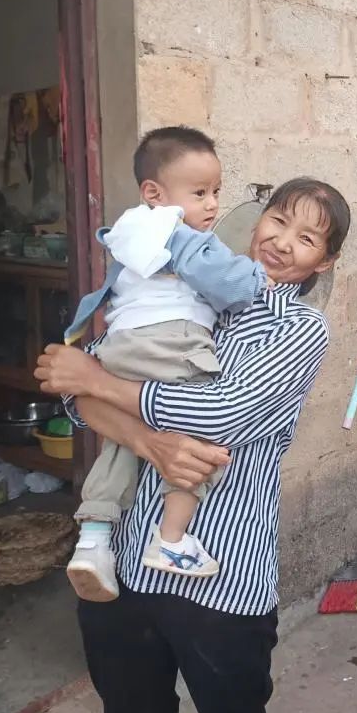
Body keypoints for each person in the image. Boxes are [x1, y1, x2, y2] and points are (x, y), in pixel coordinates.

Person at [35, 177, 350, 713]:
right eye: (278, 221)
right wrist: (147, 441)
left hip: (222, 577)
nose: (282, 242)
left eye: (307, 239)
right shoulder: (178, 289)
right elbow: (72, 396)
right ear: (259, 220)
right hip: (124, 566)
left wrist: (99, 383)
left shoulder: (299, 329)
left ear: (323, 263)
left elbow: (219, 413)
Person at [62, 126, 271, 600]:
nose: (212, 205)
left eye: (216, 191)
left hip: (122, 346)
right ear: (155, 193)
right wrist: (255, 276)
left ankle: (93, 540)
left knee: (121, 440)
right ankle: (172, 539)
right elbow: (231, 287)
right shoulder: (181, 234)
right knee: (198, 433)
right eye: (200, 193)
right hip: (173, 342)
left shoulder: (130, 232)